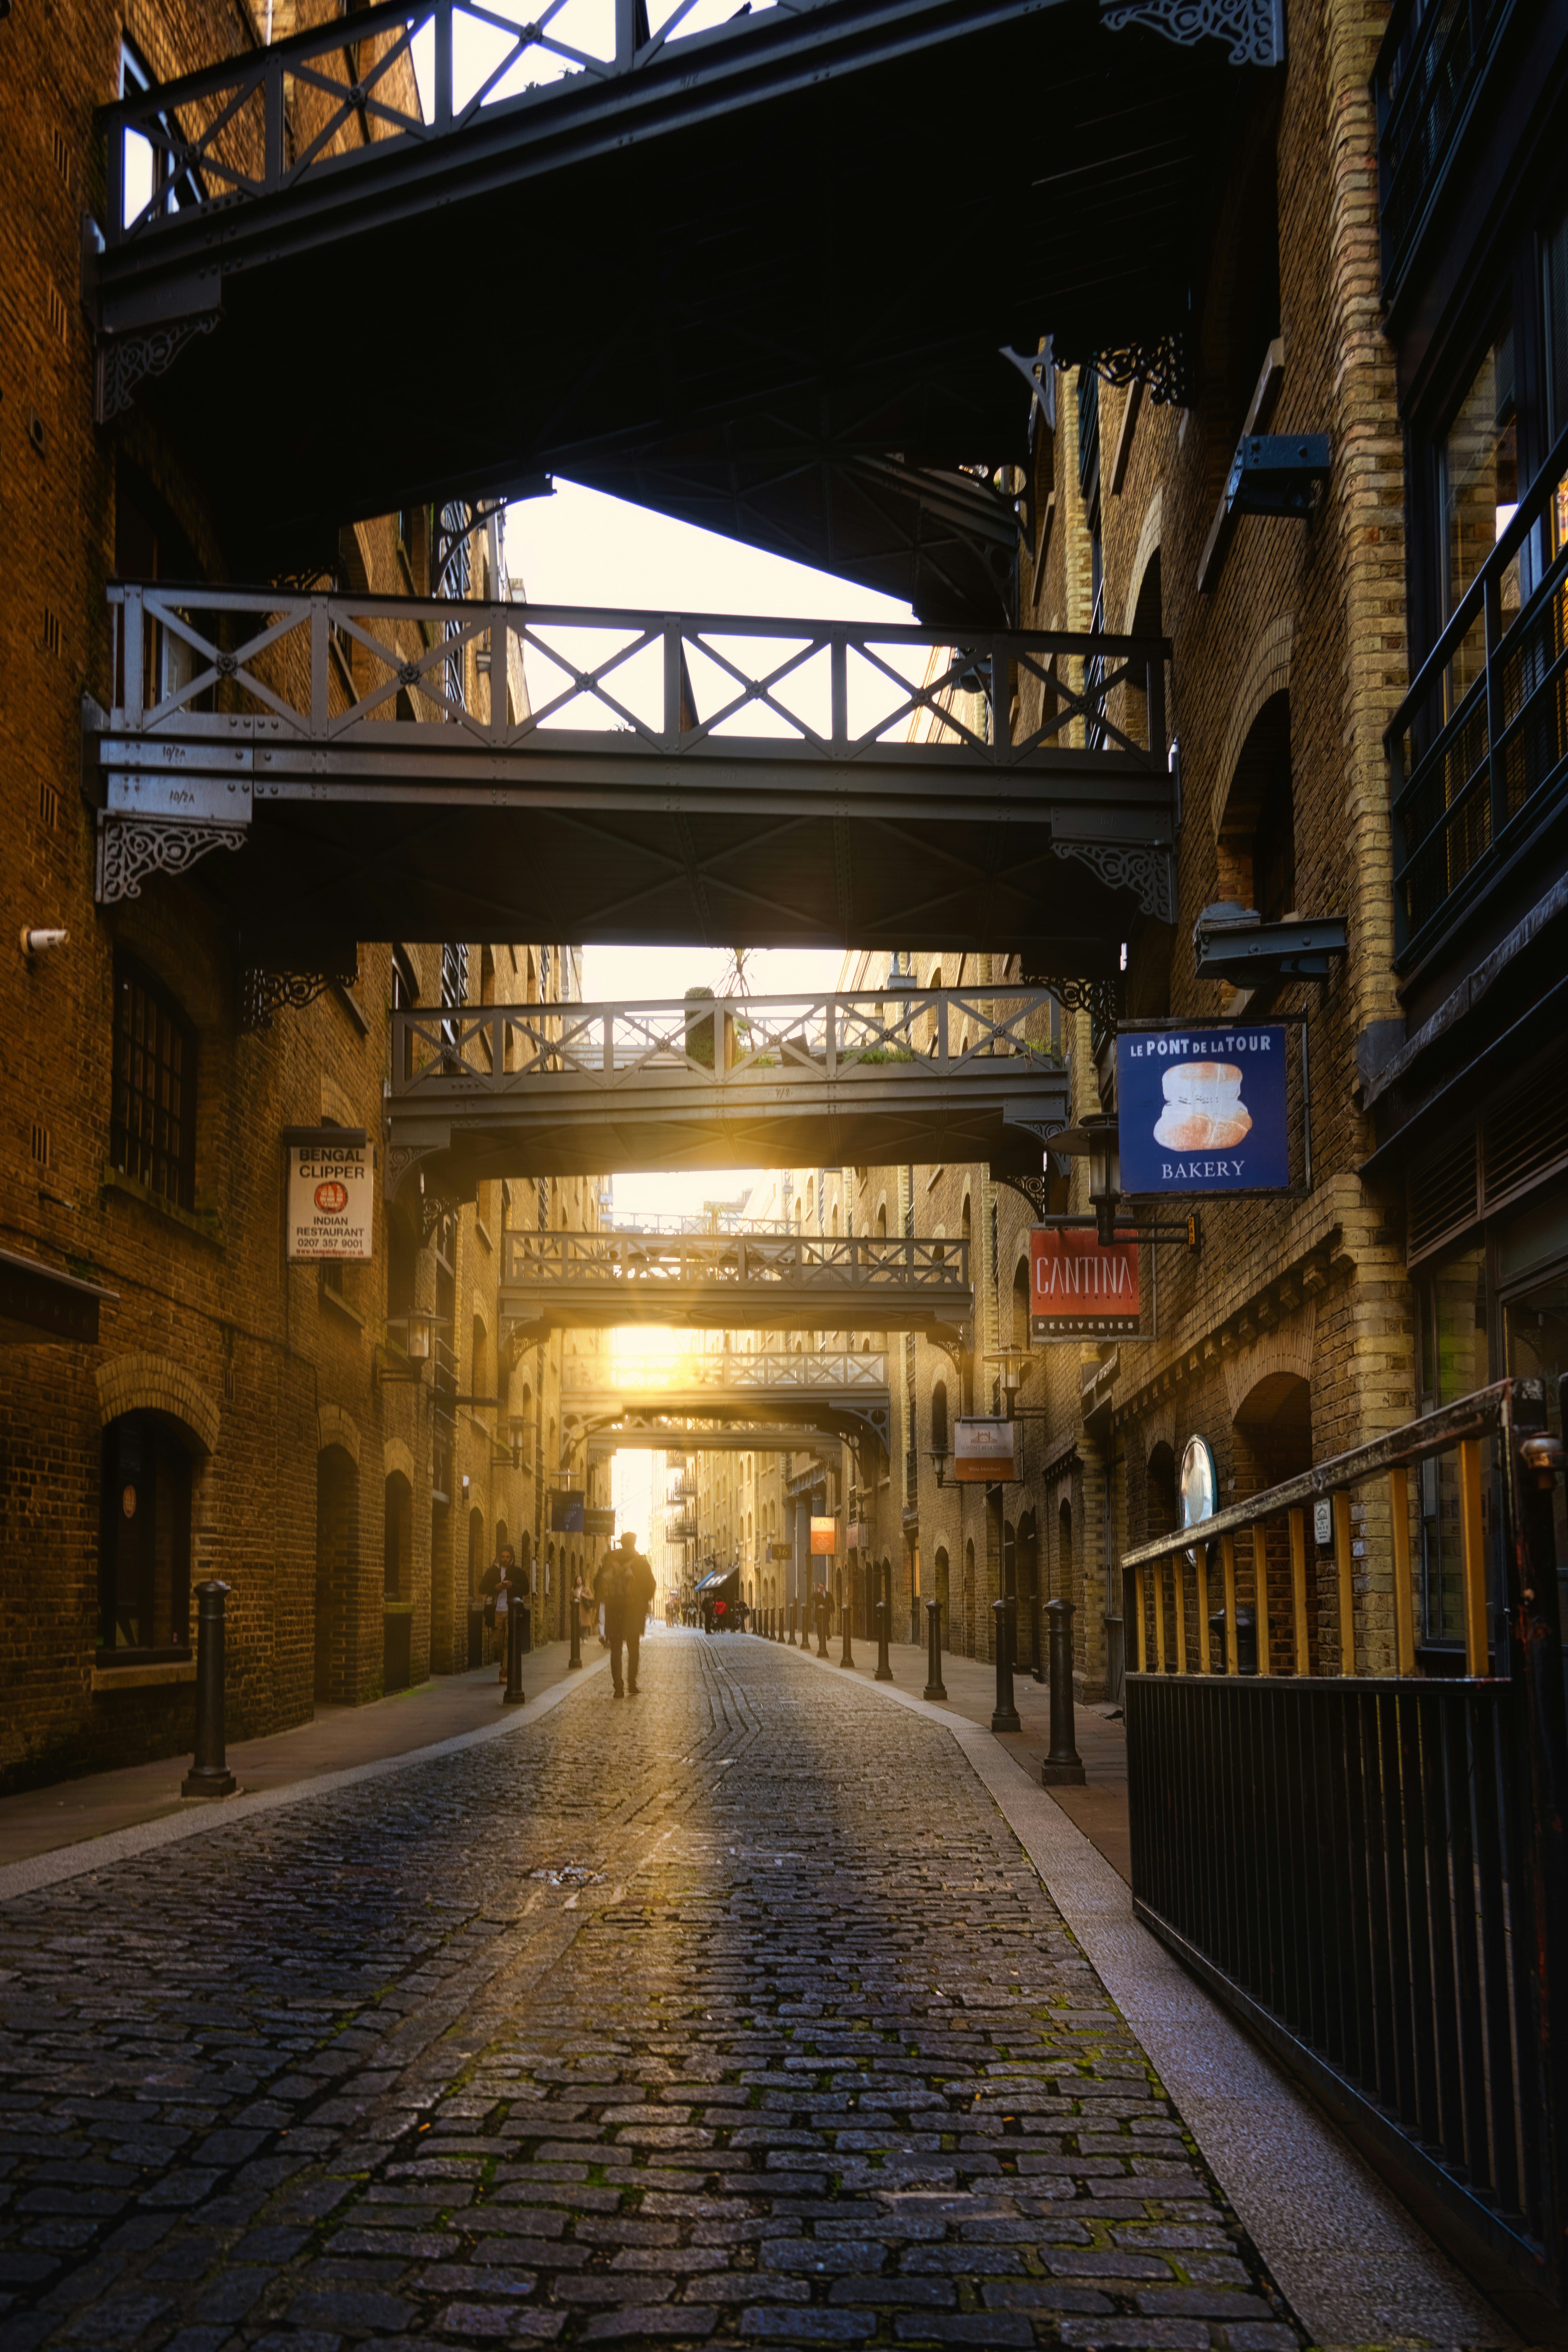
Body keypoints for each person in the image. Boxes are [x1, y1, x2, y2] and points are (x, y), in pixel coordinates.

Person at [595, 1531, 656, 1697]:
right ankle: (632, 1684)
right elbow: (651, 1586)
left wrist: (607, 1600)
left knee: (616, 1650)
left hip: (614, 1611)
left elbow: (597, 1583)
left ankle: (618, 1687)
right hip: (634, 1612)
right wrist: (642, 1602)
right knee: (634, 1648)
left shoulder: (609, 1560)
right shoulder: (641, 1562)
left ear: (621, 1543)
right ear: (635, 1543)